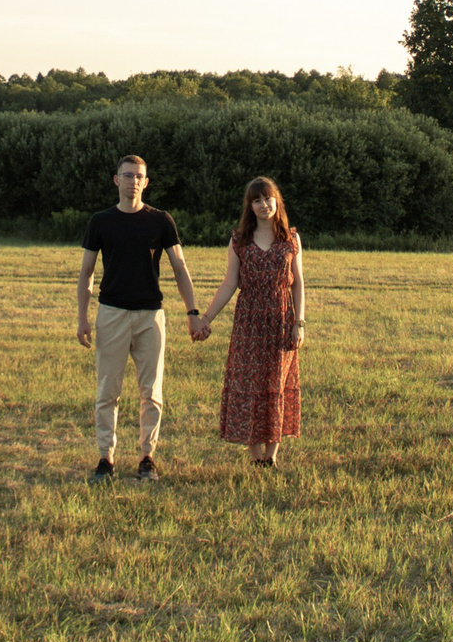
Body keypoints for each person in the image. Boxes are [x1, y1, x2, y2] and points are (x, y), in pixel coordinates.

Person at [76, 154, 202, 483]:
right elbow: (86, 272)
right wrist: (82, 318)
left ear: (146, 183)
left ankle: (147, 457)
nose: (133, 181)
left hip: (151, 315)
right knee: (107, 391)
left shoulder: (161, 221)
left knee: (152, 392)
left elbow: (179, 267)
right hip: (112, 313)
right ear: (116, 180)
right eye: (127, 175)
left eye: (139, 176)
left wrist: (192, 312)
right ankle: (106, 459)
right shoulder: (100, 221)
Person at [194, 175, 305, 466]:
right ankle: (256, 457)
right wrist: (206, 317)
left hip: (282, 320)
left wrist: (300, 322)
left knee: (276, 385)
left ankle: (272, 455)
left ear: (277, 200)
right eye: (257, 200)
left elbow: (298, 284)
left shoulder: (291, 239)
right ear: (250, 206)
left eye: (268, 198)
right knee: (250, 385)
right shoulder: (238, 240)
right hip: (248, 322)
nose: (264, 204)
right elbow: (230, 284)